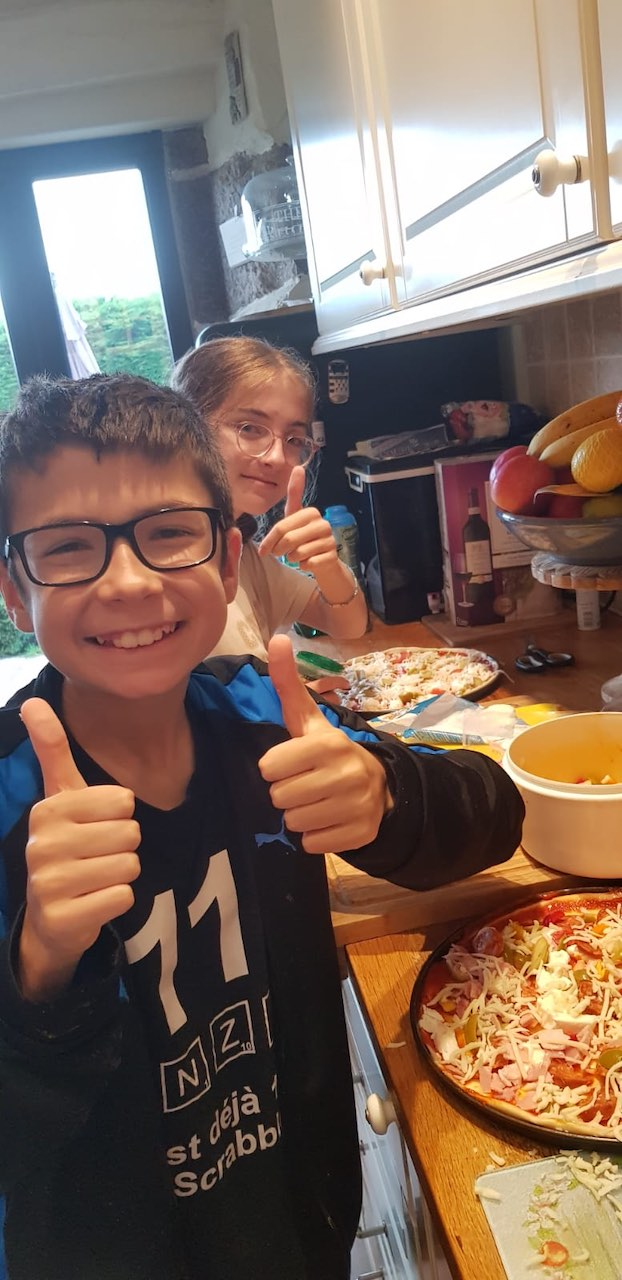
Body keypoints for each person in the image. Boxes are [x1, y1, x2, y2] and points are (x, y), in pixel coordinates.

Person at [0, 373, 524, 1280]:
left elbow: (493, 812)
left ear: (227, 561)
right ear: (14, 593)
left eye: (170, 533)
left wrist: (384, 794)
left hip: (299, 1221)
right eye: (69, 547)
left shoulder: (265, 721)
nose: (129, 582)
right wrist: (39, 970)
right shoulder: (13, 804)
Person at [171, 336, 369, 662]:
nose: (277, 457)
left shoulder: (246, 555)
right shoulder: (166, 568)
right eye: (250, 428)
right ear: (188, 427)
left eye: (293, 439)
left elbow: (349, 624)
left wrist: (328, 566)